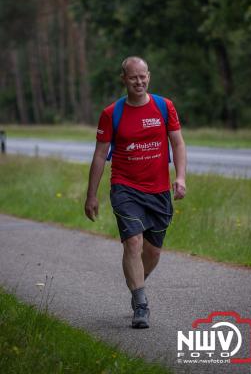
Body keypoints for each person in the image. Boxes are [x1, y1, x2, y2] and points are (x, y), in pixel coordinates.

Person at [85, 56, 186, 329]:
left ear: (149, 76)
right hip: (125, 187)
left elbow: (177, 143)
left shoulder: (164, 107)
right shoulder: (111, 114)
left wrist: (181, 177)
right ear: (124, 79)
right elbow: (99, 156)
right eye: (133, 77)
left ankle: (136, 283)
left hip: (158, 191)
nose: (139, 82)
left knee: (152, 253)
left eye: (143, 77)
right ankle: (141, 305)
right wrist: (91, 195)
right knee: (133, 243)